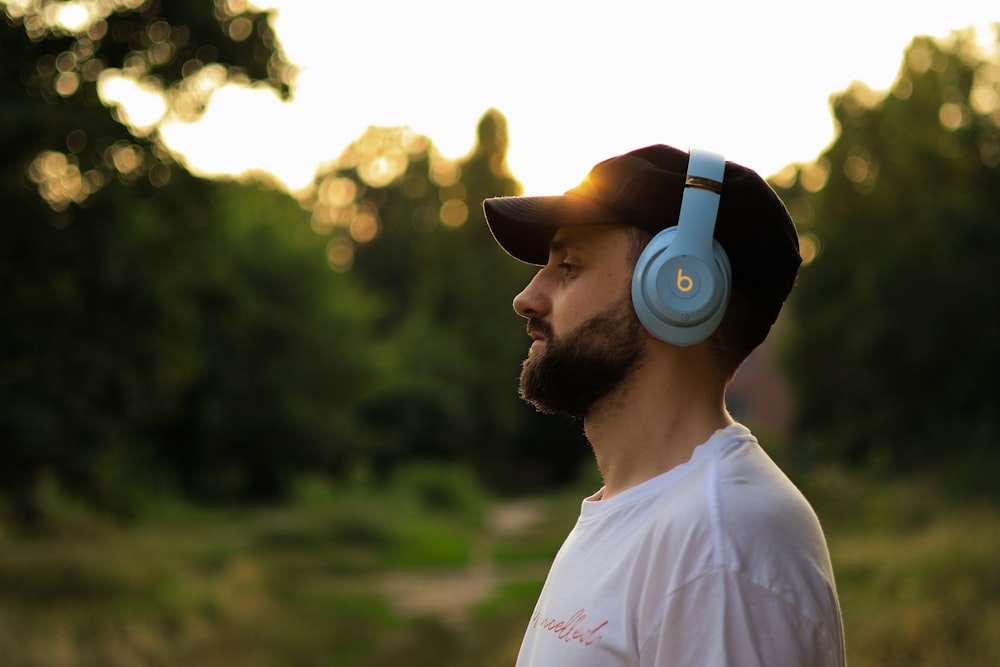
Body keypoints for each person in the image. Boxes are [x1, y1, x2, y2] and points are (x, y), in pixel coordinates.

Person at [482, 144, 845, 667]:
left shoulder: (723, 541)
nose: (527, 297)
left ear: (680, 288)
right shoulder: (640, 512)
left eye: (569, 266)